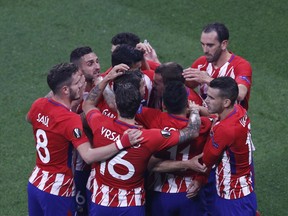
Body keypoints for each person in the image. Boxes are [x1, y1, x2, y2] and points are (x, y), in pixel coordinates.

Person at [26, 63, 142, 216]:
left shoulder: (38, 104)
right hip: (56, 189)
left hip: (35, 183)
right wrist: (122, 143)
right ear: (65, 90)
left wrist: (106, 78)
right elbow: (88, 155)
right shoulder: (70, 119)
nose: (82, 85)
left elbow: (29, 118)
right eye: (77, 83)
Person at [82, 68, 201, 216]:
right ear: (140, 104)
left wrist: (105, 80)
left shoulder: (100, 124)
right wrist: (195, 111)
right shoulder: (150, 137)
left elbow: (88, 105)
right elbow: (191, 132)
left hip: (100, 202)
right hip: (131, 205)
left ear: (116, 104)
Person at [136, 81, 212, 216]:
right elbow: (217, 117)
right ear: (187, 104)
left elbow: (129, 107)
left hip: (158, 192)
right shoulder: (204, 125)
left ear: (164, 104)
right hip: (189, 192)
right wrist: (196, 109)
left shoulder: (153, 117)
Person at [187, 77, 258, 215]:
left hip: (232, 200)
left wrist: (198, 180)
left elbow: (207, 160)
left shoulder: (225, 129)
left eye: (211, 98)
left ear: (226, 102)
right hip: (243, 192)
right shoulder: (238, 110)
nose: (206, 100)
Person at [183, 22, 252, 110]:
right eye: (202, 44)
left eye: (210, 45)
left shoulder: (240, 65)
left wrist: (208, 80)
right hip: (206, 118)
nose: (205, 50)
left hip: (230, 121)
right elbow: (185, 85)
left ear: (224, 44)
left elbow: (240, 94)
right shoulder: (201, 62)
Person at [69, 46, 102, 215]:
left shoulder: (106, 86)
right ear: (78, 70)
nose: (97, 66)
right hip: (81, 165)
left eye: (97, 61)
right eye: (90, 63)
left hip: (104, 164)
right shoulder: (70, 95)